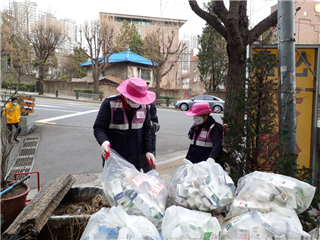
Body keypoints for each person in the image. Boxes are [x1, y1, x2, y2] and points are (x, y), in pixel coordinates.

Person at [93, 77, 157, 171]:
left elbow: (146, 130)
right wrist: (103, 141)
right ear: (127, 96)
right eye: (135, 100)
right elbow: (99, 127)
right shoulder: (110, 103)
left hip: (135, 158)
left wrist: (148, 150)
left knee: (133, 184)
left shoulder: (144, 106)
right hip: (114, 158)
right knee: (114, 184)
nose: (138, 103)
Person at [140, 103, 160, 172]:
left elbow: (156, 127)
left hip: (148, 146)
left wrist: (147, 122)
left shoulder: (149, 106)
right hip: (132, 148)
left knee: (148, 173)